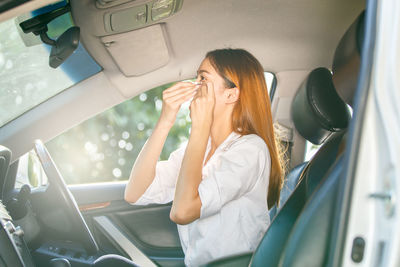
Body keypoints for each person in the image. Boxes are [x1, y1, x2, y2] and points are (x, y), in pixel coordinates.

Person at [124, 48, 284, 266]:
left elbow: (182, 212)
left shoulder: (250, 150)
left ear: (231, 94)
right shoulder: (201, 147)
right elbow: (135, 193)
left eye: (203, 78)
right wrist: (165, 120)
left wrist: (200, 126)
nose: (194, 86)